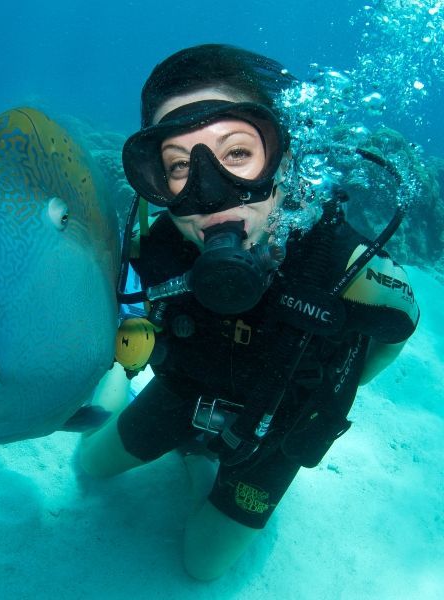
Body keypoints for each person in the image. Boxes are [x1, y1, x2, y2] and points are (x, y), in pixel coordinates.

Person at [78, 44, 420, 580]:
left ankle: (202, 465)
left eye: (237, 153)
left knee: (202, 566)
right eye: (179, 166)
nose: (210, 194)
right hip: (185, 394)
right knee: (88, 467)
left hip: (276, 433)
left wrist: (327, 390)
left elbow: (396, 331)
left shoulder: (346, 267)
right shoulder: (156, 247)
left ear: (283, 156)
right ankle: (187, 448)